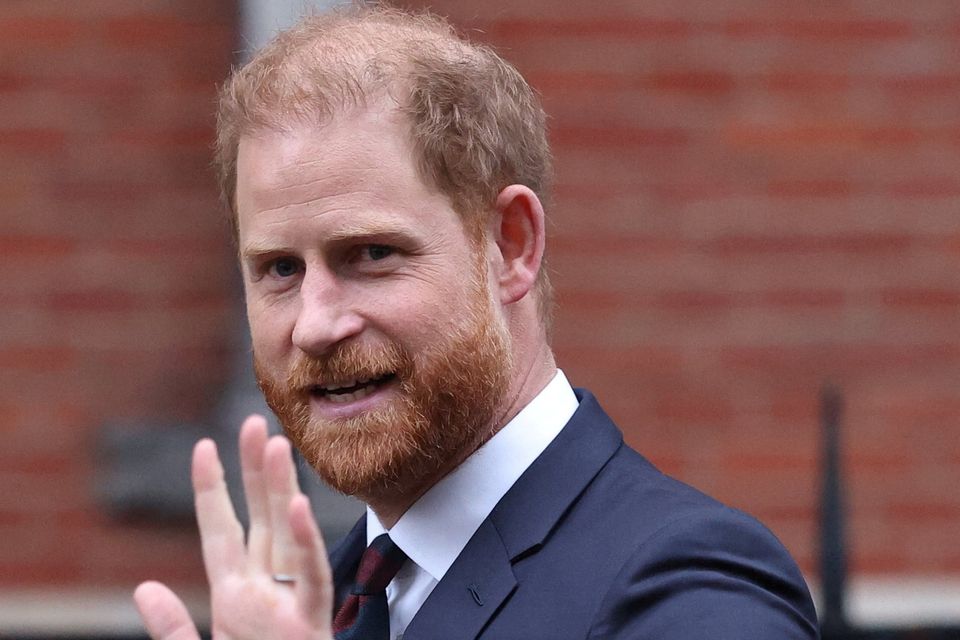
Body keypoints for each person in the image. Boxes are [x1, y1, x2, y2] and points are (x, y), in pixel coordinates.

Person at [133, 6, 820, 639]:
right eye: (280, 269)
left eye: (372, 254)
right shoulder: (320, 609)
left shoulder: (683, 587)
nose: (314, 326)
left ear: (510, 246)